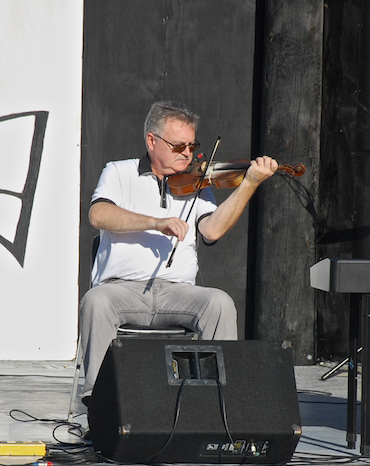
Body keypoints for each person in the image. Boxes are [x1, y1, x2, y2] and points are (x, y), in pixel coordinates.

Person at [79, 100, 278, 406]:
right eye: (178, 146)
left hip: (177, 293)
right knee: (95, 300)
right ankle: (99, 404)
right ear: (152, 141)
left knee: (219, 303)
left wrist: (249, 184)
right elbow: (99, 215)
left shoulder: (198, 183)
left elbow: (211, 230)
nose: (187, 153)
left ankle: (218, 404)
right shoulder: (119, 172)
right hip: (121, 290)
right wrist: (155, 223)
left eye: (192, 145)